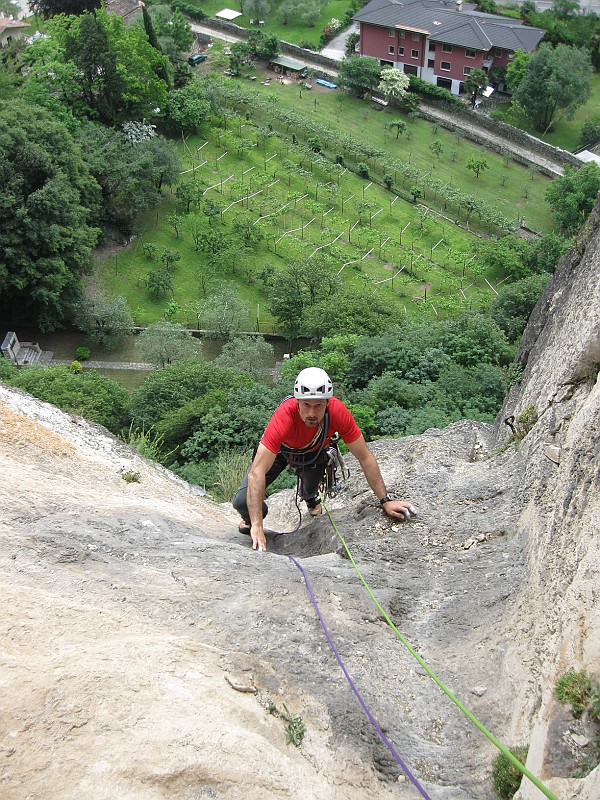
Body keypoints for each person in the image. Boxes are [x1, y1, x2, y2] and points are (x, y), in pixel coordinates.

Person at [232, 367, 415, 552]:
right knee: (241, 502)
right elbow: (257, 472)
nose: (312, 413)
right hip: (282, 452)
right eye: (306, 405)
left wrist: (385, 500)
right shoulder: (285, 416)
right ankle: (248, 520)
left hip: (314, 452)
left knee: (309, 489)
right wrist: (257, 524)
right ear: (297, 402)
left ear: (328, 402)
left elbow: (365, 456)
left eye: (318, 405)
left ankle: (310, 497)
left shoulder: (337, 412)